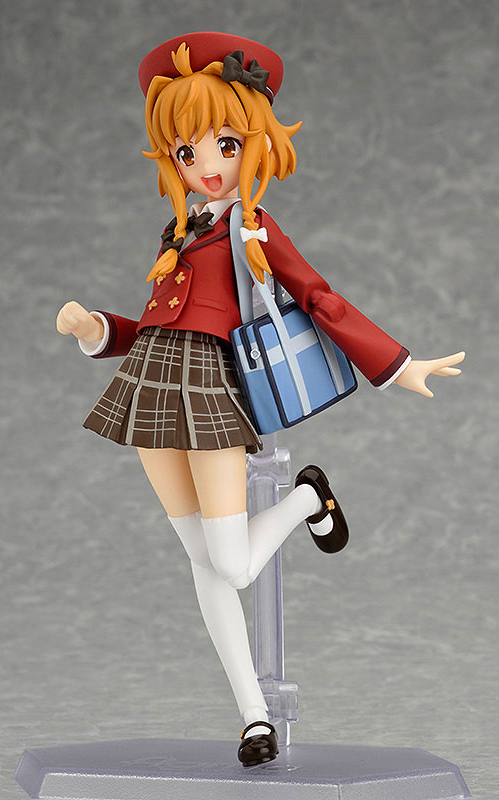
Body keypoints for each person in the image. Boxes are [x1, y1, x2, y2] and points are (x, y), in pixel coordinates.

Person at [56, 32, 464, 767]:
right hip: (150, 395)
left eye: (224, 144)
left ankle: (307, 497)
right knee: (203, 563)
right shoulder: (178, 232)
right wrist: (96, 331)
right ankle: (253, 717)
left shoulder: (253, 227)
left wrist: (394, 362)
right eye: (187, 151)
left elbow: (319, 297)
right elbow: (155, 329)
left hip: (211, 395)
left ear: (255, 142)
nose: (207, 165)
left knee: (234, 564)